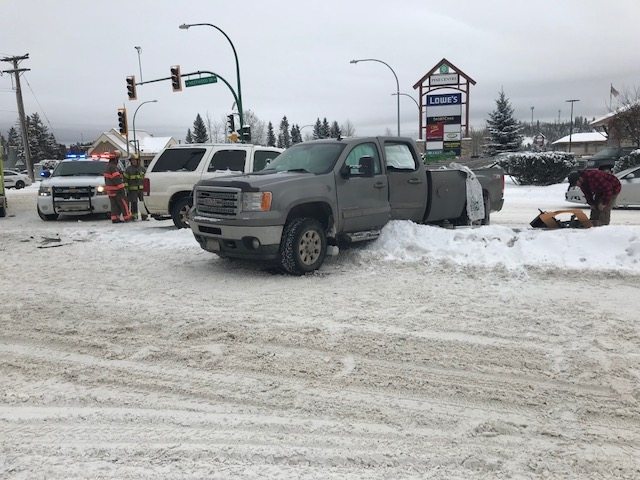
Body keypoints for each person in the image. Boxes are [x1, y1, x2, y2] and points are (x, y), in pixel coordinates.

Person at [104, 153, 132, 223]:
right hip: (117, 190)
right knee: (124, 203)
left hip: (110, 191)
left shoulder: (107, 167)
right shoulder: (113, 167)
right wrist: (122, 189)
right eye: (117, 159)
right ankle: (127, 217)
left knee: (114, 205)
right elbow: (117, 179)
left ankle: (115, 218)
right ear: (115, 159)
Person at [124, 154, 148, 220]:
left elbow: (146, 179)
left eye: (135, 160)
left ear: (138, 161)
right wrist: (127, 189)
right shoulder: (128, 170)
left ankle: (144, 216)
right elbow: (125, 180)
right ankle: (134, 216)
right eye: (132, 160)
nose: (133, 162)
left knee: (143, 203)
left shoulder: (142, 169)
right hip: (132, 190)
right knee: (134, 203)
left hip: (141, 189)